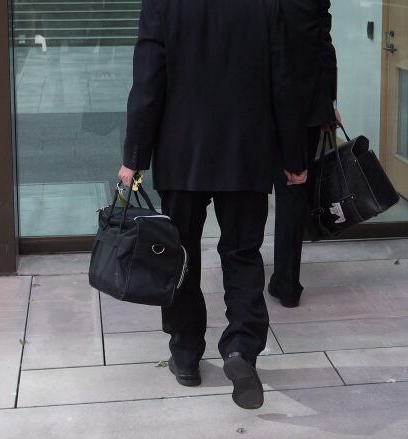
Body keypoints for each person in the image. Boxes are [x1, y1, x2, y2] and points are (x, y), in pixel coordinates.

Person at [118, 0, 310, 409]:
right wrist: (294, 157)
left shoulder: (163, 6)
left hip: (182, 154)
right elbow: (285, 83)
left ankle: (186, 353)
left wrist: (134, 158)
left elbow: (147, 84)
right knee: (242, 253)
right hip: (247, 153)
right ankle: (241, 348)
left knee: (180, 256)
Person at [269, 0, 341, 308]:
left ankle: (244, 265)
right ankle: (287, 283)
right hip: (306, 108)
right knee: (294, 190)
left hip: (263, 107)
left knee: (248, 191)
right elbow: (324, 50)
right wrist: (331, 104)